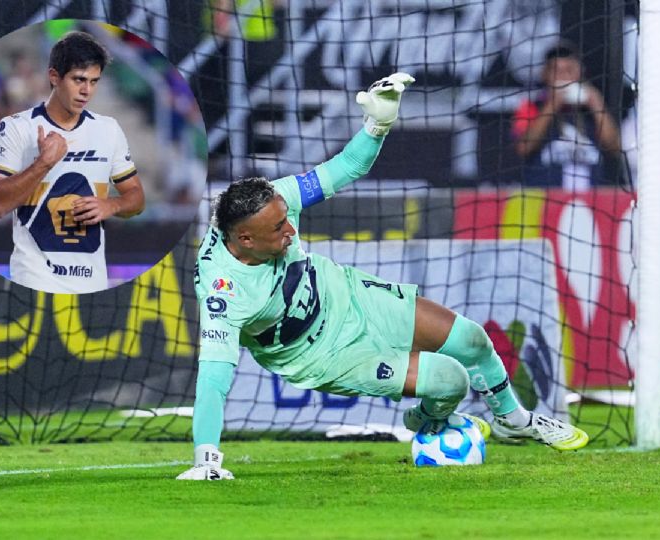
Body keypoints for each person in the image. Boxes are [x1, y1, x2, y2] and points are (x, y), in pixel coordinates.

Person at [178, 73, 589, 481]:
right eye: (278, 228)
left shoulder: (275, 198)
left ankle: (513, 420)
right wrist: (206, 459)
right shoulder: (223, 290)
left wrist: (377, 124)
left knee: (471, 339)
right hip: (321, 355)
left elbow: (347, 167)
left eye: (288, 219)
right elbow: (214, 379)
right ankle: (429, 417)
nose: (291, 229)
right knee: (450, 381)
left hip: (345, 294)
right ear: (245, 239)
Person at [0, 31, 145, 293]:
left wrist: (112, 204)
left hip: (92, 284)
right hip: (34, 282)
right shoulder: (16, 127)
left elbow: (137, 197)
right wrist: (43, 163)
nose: (86, 91)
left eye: (93, 82)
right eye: (78, 80)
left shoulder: (108, 129)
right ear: (54, 77)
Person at [511, 41, 621, 191]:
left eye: (569, 70)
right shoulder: (531, 106)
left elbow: (614, 148)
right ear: (545, 75)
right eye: (556, 71)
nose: (563, 76)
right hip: (547, 197)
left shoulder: (591, 111)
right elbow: (523, 147)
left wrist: (597, 104)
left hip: (591, 199)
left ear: (580, 73)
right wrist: (552, 105)